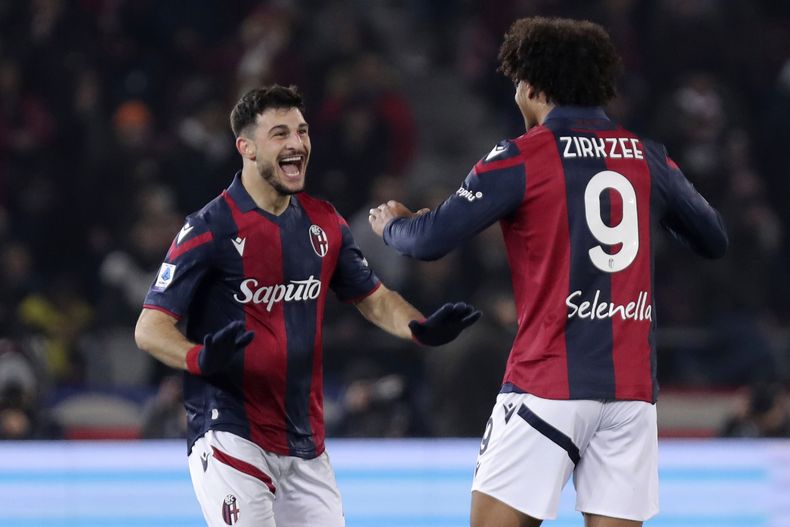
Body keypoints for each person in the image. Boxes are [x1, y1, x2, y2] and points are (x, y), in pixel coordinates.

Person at [369, 17, 728, 527]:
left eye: (518, 84)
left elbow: (430, 241)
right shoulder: (645, 156)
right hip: (630, 394)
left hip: (548, 385)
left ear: (533, 86)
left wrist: (392, 227)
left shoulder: (522, 156)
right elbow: (714, 238)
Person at [134, 84, 480, 527]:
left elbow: (372, 299)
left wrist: (419, 326)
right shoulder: (208, 228)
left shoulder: (326, 223)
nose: (297, 143)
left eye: (302, 131)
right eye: (280, 134)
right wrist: (199, 357)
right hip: (229, 432)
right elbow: (149, 328)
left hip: (306, 442)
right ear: (247, 147)